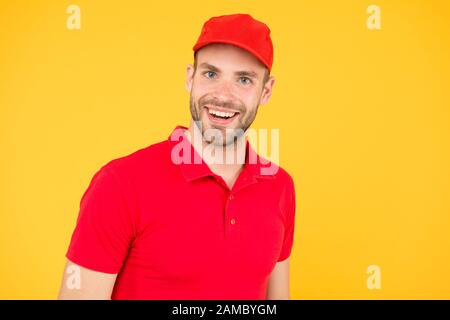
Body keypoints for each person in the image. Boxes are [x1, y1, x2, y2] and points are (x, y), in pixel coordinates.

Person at [58, 13, 296, 300]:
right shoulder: (120, 184)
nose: (223, 95)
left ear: (266, 91)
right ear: (190, 78)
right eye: (211, 74)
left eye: (244, 80)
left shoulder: (280, 186)